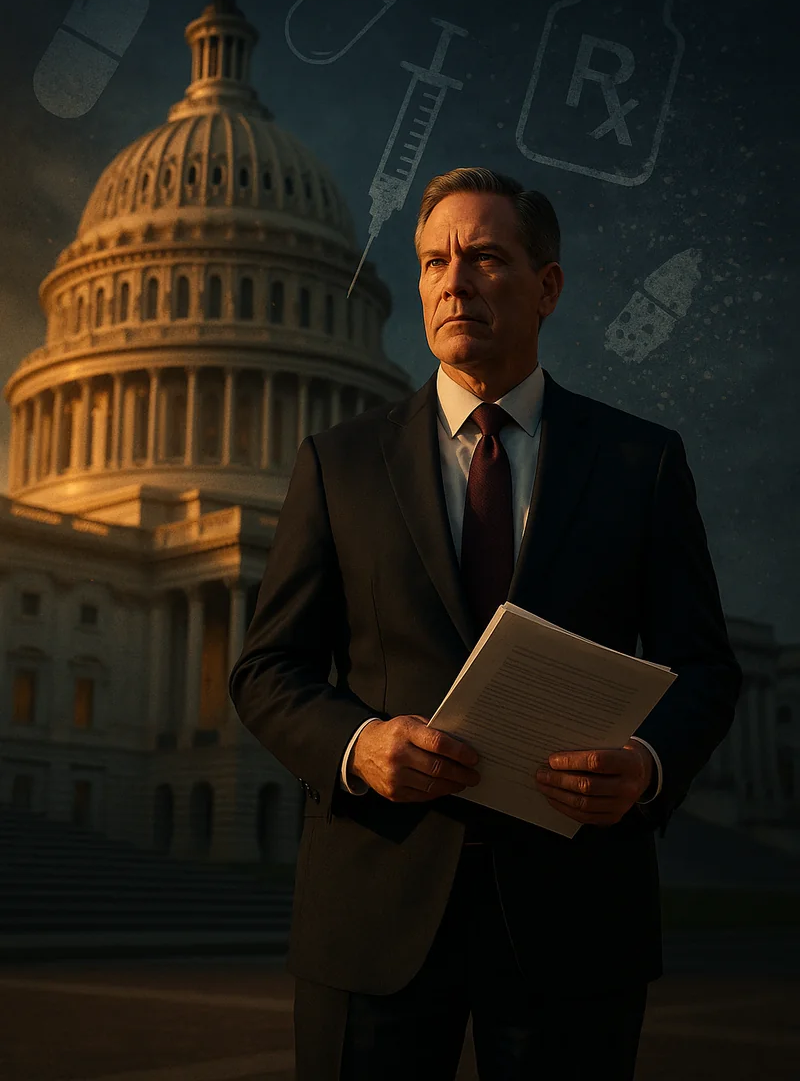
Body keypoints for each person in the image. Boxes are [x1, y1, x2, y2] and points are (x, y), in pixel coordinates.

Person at [228, 167, 743, 1080]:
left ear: (547, 286)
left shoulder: (642, 462)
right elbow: (268, 668)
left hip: (574, 906)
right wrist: (358, 745)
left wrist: (649, 764)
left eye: (484, 257)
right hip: (375, 906)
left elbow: (703, 666)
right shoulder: (338, 464)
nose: (452, 282)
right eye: (432, 262)